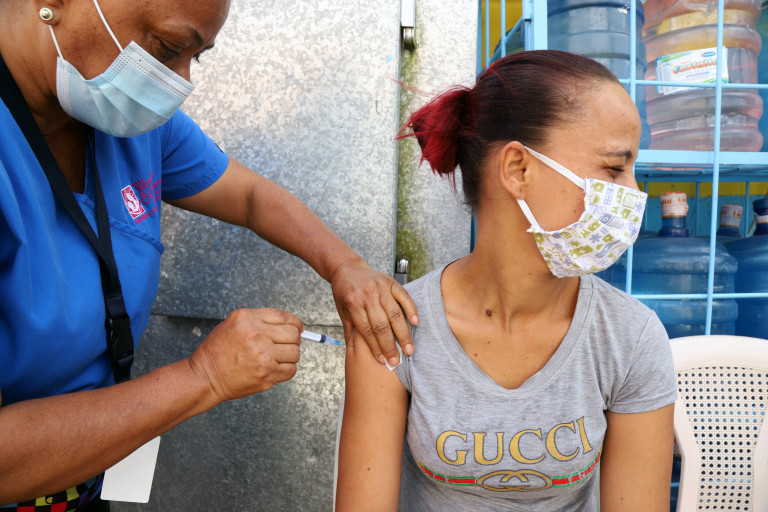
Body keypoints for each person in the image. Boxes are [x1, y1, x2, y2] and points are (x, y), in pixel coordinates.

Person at [0, 0, 418, 509]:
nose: (179, 81)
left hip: (80, 484)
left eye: (196, 57)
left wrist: (344, 265)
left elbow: (250, 196)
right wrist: (204, 377)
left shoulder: (125, 123)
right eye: (168, 47)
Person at [336, 50, 678, 512]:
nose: (634, 194)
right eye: (615, 168)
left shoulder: (630, 337)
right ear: (518, 169)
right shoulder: (394, 326)